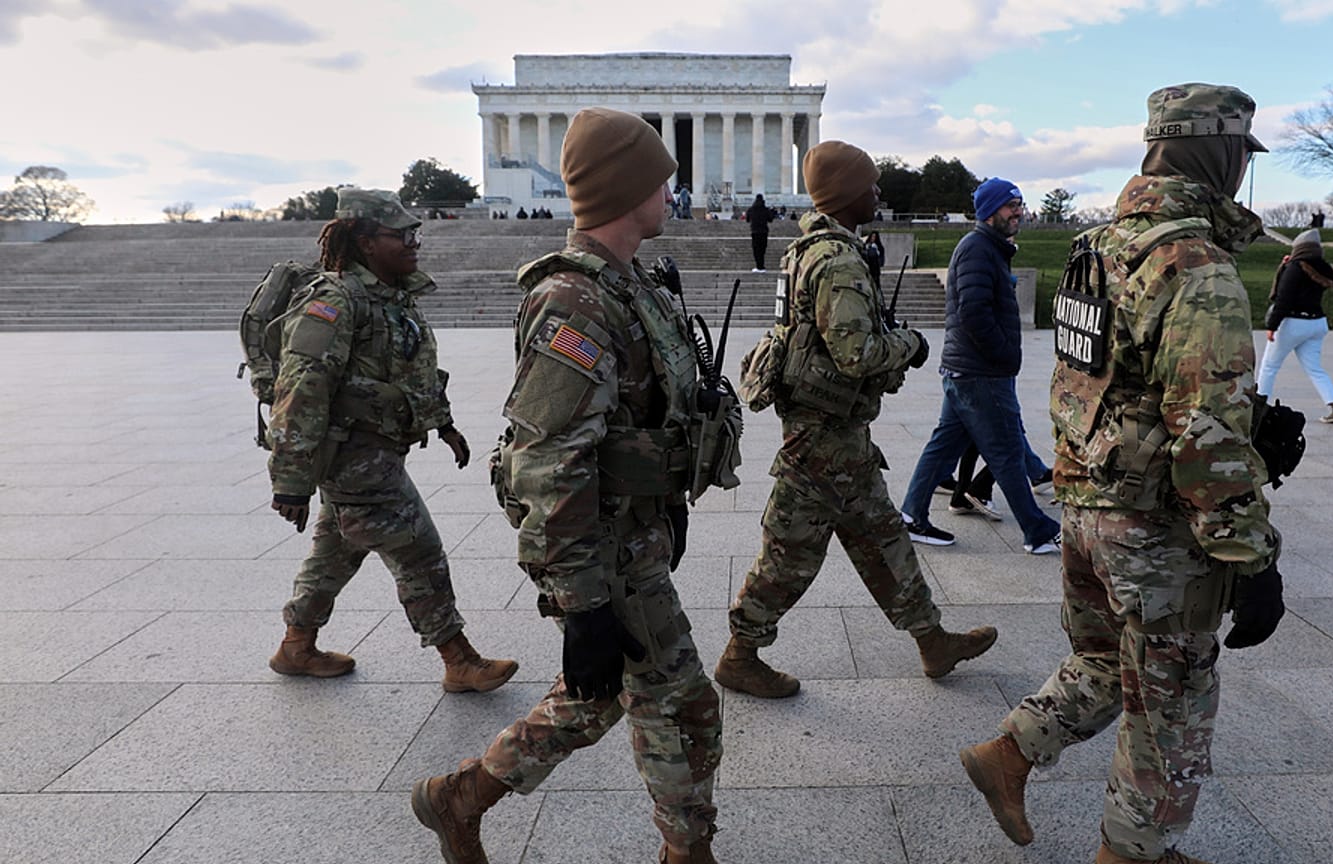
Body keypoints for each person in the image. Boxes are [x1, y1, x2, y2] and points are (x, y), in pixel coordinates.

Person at [959, 84, 1286, 864]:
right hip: (1153, 525)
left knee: (1106, 660)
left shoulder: (1097, 245)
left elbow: (1098, 380)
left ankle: (1009, 755)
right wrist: (1253, 556)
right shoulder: (1196, 265)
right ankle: (1133, 853)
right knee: (1170, 699)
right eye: (1242, 152)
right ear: (1223, 154)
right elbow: (1207, 437)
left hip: (1085, 503)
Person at [411, 108, 724, 864]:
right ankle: (688, 852)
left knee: (605, 701)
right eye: (661, 179)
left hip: (632, 534)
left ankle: (461, 796)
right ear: (629, 188)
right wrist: (584, 606)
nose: (671, 193)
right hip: (601, 548)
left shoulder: (627, 284)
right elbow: (549, 459)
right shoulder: (573, 302)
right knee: (682, 709)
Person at [715, 140, 998, 700]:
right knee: (790, 555)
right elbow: (856, 354)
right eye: (869, 185)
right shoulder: (838, 261)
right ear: (846, 194)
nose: (878, 192)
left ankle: (931, 638)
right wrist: (910, 343)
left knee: (884, 538)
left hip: (839, 436)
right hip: (821, 441)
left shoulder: (807, 251)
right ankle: (739, 655)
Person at [265, 188, 518, 695]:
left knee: (336, 550)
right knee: (416, 548)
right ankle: (457, 658)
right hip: (356, 456)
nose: (413, 242)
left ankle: (297, 643)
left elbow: (412, 369)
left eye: (415, 232)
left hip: (375, 451)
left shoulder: (390, 295)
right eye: (400, 234)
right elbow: (300, 388)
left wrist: (443, 424)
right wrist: (290, 481)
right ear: (363, 241)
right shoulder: (334, 299)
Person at [898, 177, 1061, 553]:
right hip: (981, 372)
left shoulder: (989, 247)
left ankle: (911, 515)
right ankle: (1037, 533)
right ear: (990, 213)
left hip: (966, 369)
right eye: (1010, 205)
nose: (1018, 211)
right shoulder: (977, 249)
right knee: (1006, 450)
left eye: (1020, 204)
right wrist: (1003, 353)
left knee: (942, 447)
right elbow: (973, 312)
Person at [1257, 228, 1333, 423]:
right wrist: (1285, 267)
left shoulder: (1296, 267)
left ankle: (1256, 407)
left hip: (1293, 323)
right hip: (1317, 324)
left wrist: (1272, 325)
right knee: (1315, 369)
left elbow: (1283, 298)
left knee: (1269, 367)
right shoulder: (1325, 268)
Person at [746, 192, 774, 272]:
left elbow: (747, 219)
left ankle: (759, 266)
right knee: (762, 249)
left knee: (756, 249)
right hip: (764, 232)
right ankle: (761, 266)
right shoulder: (765, 209)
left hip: (755, 232)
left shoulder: (751, 209)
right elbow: (770, 219)